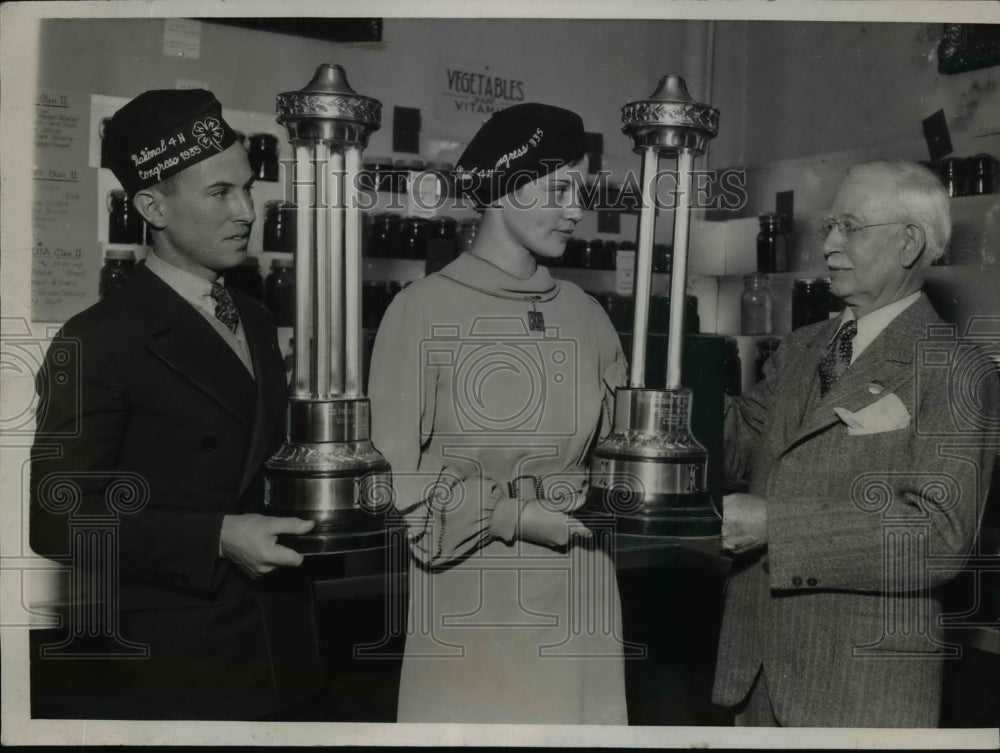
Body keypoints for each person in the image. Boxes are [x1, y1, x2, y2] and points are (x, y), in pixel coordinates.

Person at [29, 89, 326, 721]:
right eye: (220, 193)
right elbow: (56, 521)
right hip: (181, 660)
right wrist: (215, 536)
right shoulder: (98, 338)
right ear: (151, 206)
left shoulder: (252, 314)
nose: (246, 211)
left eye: (248, 188)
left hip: (285, 641)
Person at [712, 159, 1000, 727]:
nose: (830, 245)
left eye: (851, 227)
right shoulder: (802, 348)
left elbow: (938, 535)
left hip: (859, 690)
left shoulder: (957, 371)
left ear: (909, 242)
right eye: (828, 228)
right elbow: (740, 444)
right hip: (757, 677)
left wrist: (778, 525)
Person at [368, 103, 629, 724]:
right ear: (503, 185)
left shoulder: (587, 315)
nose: (577, 209)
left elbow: (621, 453)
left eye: (583, 190)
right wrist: (514, 515)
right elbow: (387, 480)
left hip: (583, 588)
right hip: (476, 596)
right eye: (560, 188)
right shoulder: (421, 310)